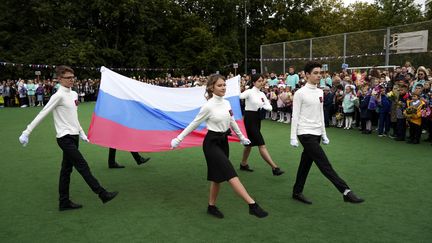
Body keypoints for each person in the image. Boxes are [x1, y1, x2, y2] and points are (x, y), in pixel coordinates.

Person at [18, 65, 118, 211]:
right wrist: (27, 132)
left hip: (74, 136)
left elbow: (74, 117)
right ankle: (102, 193)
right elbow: (43, 113)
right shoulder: (58, 95)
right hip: (64, 138)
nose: (72, 80)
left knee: (66, 170)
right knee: (82, 165)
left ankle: (63, 202)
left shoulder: (74, 95)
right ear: (59, 79)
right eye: (68, 78)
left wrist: (82, 133)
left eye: (73, 77)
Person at [170, 74, 268, 219]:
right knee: (229, 172)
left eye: (224, 85)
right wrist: (179, 138)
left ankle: (211, 206)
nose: (223, 88)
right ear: (211, 87)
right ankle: (252, 205)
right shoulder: (208, 106)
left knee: (217, 178)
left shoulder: (227, 103)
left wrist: (242, 137)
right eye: (219, 85)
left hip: (223, 142)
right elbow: (194, 123)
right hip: (211, 144)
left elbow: (232, 121)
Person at [290, 61, 364, 204]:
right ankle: (345, 191)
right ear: (307, 75)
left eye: (320, 73)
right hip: (305, 133)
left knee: (305, 163)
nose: (319, 76)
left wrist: (324, 134)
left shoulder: (320, 92)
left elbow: (320, 114)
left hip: (317, 132)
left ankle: (297, 191)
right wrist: (293, 136)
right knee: (324, 164)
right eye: (315, 73)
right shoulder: (300, 93)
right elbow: (295, 115)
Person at [239, 74, 284, 176]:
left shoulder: (262, 94)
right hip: (249, 119)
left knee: (248, 144)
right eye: (259, 81)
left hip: (257, 118)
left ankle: (243, 164)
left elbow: (268, 105)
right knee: (261, 144)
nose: (261, 82)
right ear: (254, 82)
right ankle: (274, 168)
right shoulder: (249, 92)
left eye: (262, 80)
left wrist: (267, 107)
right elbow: (240, 96)